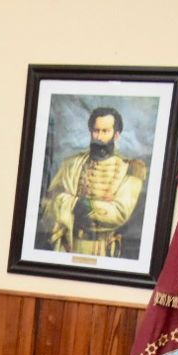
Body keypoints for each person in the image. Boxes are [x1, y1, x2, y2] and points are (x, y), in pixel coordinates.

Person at [40, 106, 146, 257]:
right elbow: (49, 201)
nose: (99, 137)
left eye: (105, 131)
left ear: (116, 135)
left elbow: (120, 213)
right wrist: (73, 203)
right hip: (69, 245)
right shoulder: (71, 165)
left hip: (103, 249)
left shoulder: (130, 169)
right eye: (96, 131)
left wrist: (83, 205)